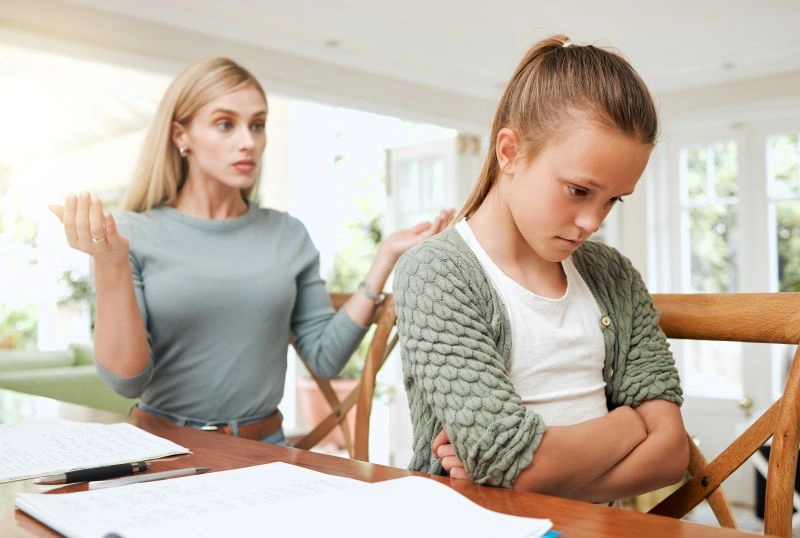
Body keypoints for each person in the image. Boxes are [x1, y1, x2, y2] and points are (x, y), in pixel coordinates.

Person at [50, 57, 453, 446]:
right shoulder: (127, 236)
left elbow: (326, 359)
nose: (248, 142)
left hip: (265, 449)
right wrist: (110, 262)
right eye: (225, 124)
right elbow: (126, 381)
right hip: (162, 450)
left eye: (257, 125)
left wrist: (385, 259)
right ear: (180, 136)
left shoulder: (288, 235)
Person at [393, 34, 688, 502]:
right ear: (509, 152)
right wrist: (631, 424)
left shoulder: (612, 273)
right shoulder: (435, 274)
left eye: (613, 199)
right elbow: (510, 461)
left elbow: (673, 454)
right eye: (578, 190)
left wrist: (532, 476)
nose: (593, 221)